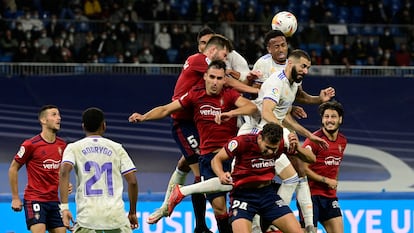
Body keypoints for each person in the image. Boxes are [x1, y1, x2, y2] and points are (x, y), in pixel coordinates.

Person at [129, 60, 257, 233]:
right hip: (209, 159)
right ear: (205, 76)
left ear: (223, 80)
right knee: (220, 208)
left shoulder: (230, 95)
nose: (215, 82)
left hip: (231, 155)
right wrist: (144, 117)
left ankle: (183, 192)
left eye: (219, 78)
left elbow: (251, 106)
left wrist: (231, 113)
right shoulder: (195, 95)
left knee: (238, 192)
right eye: (211, 77)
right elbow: (166, 109)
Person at [240, 49, 331, 233]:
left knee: (292, 176)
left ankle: (277, 223)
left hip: (273, 135)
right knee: (296, 170)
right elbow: (267, 113)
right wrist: (285, 134)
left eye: (308, 68)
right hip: (261, 136)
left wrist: (309, 134)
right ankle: (274, 222)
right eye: (303, 66)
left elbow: (285, 115)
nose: (306, 71)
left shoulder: (293, 83)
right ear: (290, 63)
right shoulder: (276, 82)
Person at [212, 123, 313, 233]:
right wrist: (221, 174)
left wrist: (298, 147)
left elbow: (311, 159)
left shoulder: (281, 144)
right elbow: (216, 159)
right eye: (267, 148)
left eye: (273, 149)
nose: (270, 152)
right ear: (260, 138)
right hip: (243, 196)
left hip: (267, 195)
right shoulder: (242, 142)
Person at [59, 107, 139, 232]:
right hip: (115, 218)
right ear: (104, 126)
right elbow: (132, 181)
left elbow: (64, 172)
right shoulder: (117, 148)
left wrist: (64, 208)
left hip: (87, 219)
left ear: (83, 126)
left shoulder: (73, 148)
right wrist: (132, 212)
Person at [8, 105, 68, 233]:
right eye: (54, 115)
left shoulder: (62, 145)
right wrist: (15, 197)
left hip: (53, 200)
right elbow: (13, 169)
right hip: (35, 199)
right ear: (43, 120)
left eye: (59, 115)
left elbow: (58, 171)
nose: (59, 118)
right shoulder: (30, 144)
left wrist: (65, 184)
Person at [298, 101, 346, 233]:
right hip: (310, 195)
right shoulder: (314, 141)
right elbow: (302, 168)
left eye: (333, 116)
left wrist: (334, 182)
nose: (329, 120)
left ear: (340, 119)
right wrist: (326, 180)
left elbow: (336, 164)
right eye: (326, 117)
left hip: (329, 196)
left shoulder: (343, 141)